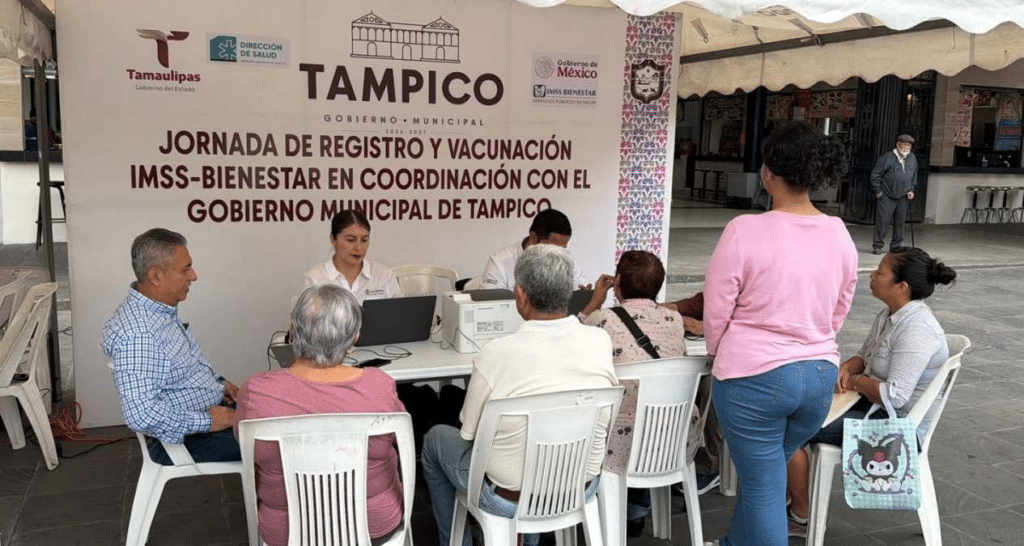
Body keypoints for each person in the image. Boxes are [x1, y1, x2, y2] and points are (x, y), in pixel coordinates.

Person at [703, 121, 858, 546]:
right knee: (766, 477)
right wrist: (812, 338)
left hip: (753, 378)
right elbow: (841, 305)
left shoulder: (744, 229)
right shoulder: (839, 232)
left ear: (768, 172)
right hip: (818, 377)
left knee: (762, 485)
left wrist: (720, 352)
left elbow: (717, 308)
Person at [422, 244, 617, 546]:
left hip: (507, 498)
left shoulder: (495, 354)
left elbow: (469, 432)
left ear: (521, 294)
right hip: (581, 487)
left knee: (435, 439)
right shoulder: (600, 341)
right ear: (567, 293)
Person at [785, 247, 956, 534]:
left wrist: (854, 382)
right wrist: (847, 368)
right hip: (869, 406)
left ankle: (800, 516)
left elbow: (895, 396)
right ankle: (791, 498)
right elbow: (866, 356)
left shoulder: (917, 329)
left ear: (901, 287)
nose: (872, 276)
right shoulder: (889, 315)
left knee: (791, 428)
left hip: (894, 426)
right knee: (795, 407)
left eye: (880, 272)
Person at [234, 284, 405, 546]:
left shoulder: (256, 391)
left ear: (292, 331)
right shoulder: (379, 386)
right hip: (373, 525)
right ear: (355, 337)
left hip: (287, 534)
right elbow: (398, 438)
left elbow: (245, 445)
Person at [101, 228, 240, 465]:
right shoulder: (138, 334)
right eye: (185, 269)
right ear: (156, 276)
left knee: (274, 411)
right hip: (185, 439)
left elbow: (183, 363)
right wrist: (209, 421)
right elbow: (141, 415)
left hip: (203, 419)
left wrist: (219, 383)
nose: (194, 276)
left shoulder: (158, 311)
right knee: (278, 442)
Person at [580, 250, 686, 537]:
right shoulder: (674, 320)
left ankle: (602, 506)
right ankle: (637, 510)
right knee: (646, 410)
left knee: (618, 414)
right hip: (673, 437)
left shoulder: (602, 320)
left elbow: (572, 340)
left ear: (617, 282)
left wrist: (594, 302)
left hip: (619, 442)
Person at [479, 208, 587, 290]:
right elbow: (489, 306)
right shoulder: (500, 263)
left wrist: (584, 296)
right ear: (533, 238)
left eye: (562, 249)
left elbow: (580, 291)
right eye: (552, 249)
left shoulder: (566, 260)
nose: (558, 255)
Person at [305, 209, 399, 302]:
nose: (359, 247)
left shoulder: (384, 276)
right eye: (350, 240)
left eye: (364, 240)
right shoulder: (315, 278)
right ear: (333, 239)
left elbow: (398, 311)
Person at [871, 134, 917, 255]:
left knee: (900, 222)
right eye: (904, 145)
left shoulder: (912, 158)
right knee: (882, 221)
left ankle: (896, 246)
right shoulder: (886, 158)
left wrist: (911, 189)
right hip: (887, 195)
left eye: (908, 145)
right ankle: (878, 245)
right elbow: (875, 176)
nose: (906, 148)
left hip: (903, 196)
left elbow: (914, 176)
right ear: (898, 145)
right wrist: (878, 192)